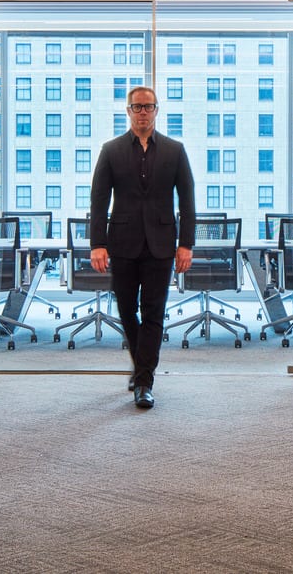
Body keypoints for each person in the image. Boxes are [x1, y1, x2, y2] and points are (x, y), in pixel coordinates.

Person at [89, 85, 195, 409]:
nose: (143, 112)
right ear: (129, 111)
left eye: (148, 107)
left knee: (154, 311)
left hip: (161, 246)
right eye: (137, 107)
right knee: (125, 310)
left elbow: (188, 201)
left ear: (157, 111)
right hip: (122, 245)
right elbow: (98, 201)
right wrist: (97, 244)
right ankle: (142, 367)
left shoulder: (175, 150)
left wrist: (186, 244)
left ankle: (145, 380)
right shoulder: (111, 150)